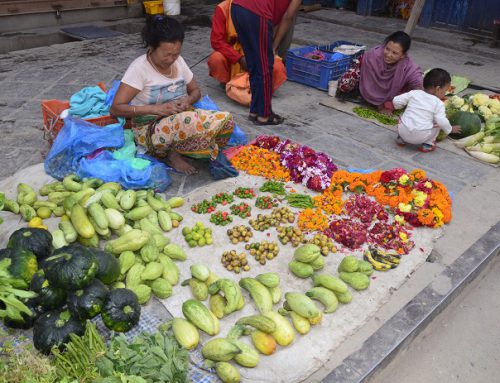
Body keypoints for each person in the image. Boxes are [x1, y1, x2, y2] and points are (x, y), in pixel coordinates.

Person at [110, 16, 236, 176]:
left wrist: (188, 100)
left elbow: (196, 91)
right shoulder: (139, 69)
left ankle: (191, 147)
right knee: (190, 122)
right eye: (166, 54)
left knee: (225, 120)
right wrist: (155, 109)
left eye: (176, 54)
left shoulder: (179, 61)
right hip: (149, 127)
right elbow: (116, 109)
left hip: (182, 118)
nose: (171, 59)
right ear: (152, 47)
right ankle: (172, 154)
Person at [230, 0, 302, 125]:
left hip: (237, 8)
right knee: (265, 65)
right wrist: (273, 47)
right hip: (257, 12)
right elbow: (288, 16)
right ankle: (264, 114)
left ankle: (254, 110)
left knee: (253, 62)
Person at [207, 0, 287, 96]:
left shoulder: (260, 7)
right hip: (232, 53)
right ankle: (227, 83)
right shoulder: (223, 8)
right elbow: (216, 41)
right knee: (216, 58)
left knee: (277, 67)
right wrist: (239, 58)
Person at [336, 31, 423, 115]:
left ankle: (377, 100)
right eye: (387, 49)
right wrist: (379, 104)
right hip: (367, 84)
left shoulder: (408, 67)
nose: (388, 55)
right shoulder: (374, 55)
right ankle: (366, 95)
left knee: (414, 97)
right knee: (344, 84)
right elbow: (369, 80)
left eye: (394, 53)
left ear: (403, 55)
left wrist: (390, 104)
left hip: (391, 95)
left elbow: (419, 85)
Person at [392, 68, 461, 152]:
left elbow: (396, 100)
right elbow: (442, 121)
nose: (444, 94)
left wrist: (398, 107)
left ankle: (401, 139)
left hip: (403, 131)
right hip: (420, 136)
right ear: (438, 89)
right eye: (445, 91)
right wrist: (450, 129)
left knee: (404, 115)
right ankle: (428, 144)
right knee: (437, 123)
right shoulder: (438, 103)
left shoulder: (414, 93)